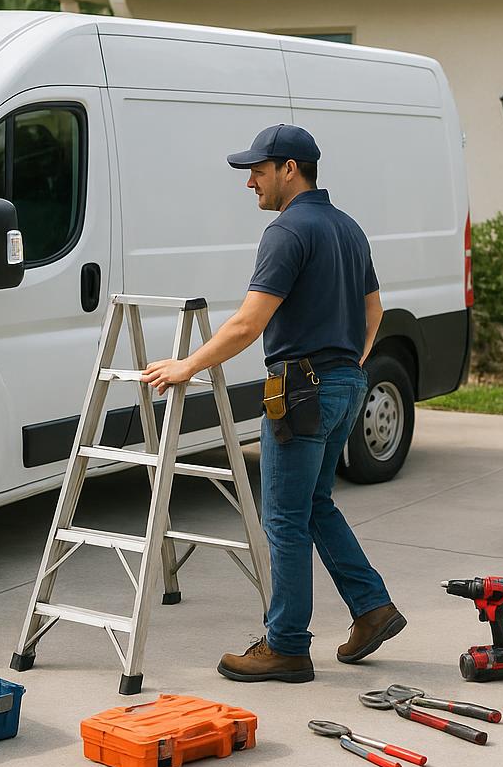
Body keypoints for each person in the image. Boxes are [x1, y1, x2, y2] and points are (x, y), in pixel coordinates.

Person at [141, 123, 404, 683]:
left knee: (284, 519)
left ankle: (286, 645)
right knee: (314, 506)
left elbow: (248, 322)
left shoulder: (287, 232)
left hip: (301, 391)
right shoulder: (348, 228)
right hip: (343, 387)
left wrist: (186, 365)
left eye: (258, 170)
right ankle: (372, 608)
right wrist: (346, 370)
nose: (250, 182)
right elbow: (374, 311)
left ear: (291, 169)